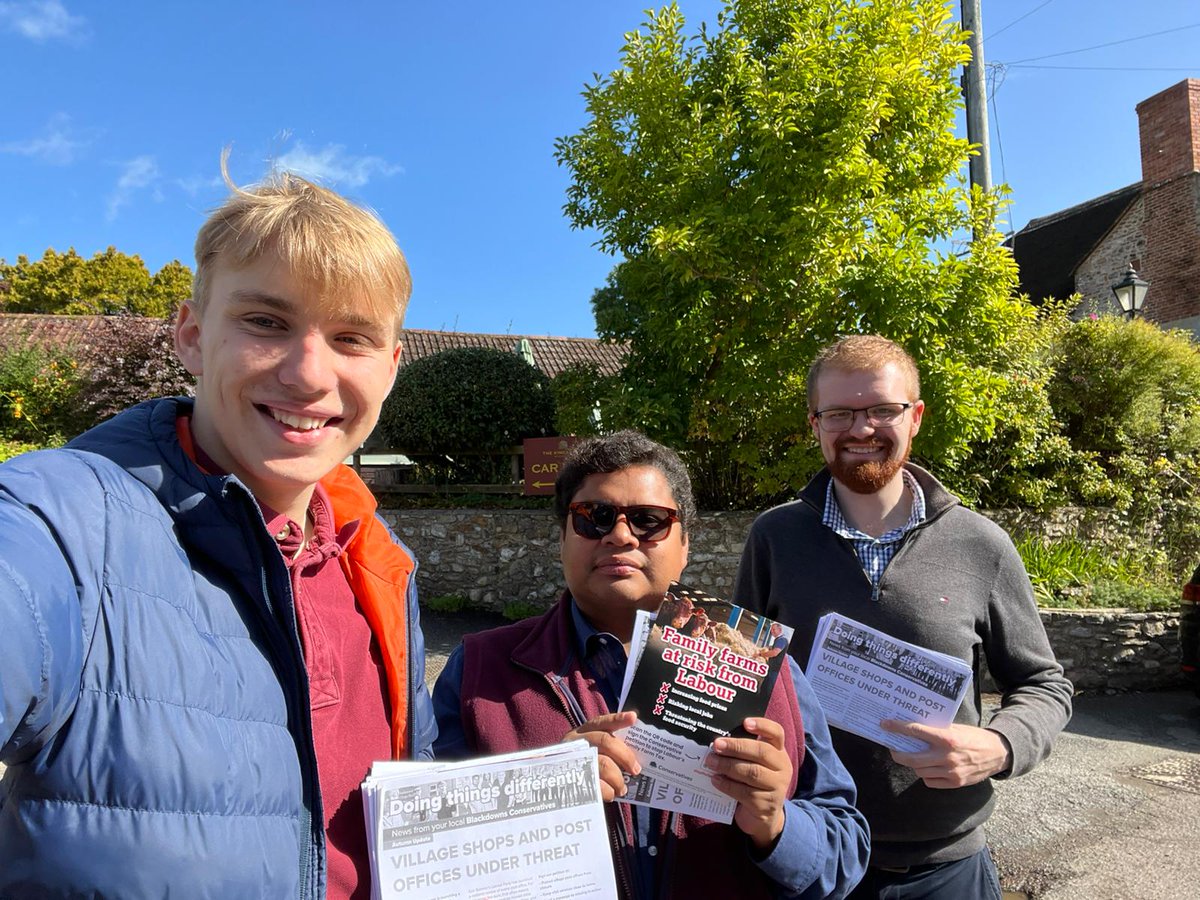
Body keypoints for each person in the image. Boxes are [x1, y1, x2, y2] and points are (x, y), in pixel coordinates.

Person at [0, 168, 436, 898]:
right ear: (192, 335)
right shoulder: (63, 520)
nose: (308, 373)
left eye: (351, 337)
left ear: (391, 368)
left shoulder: (380, 564)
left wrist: (551, 784)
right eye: (266, 322)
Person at [433, 431, 869, 899]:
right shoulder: (479, 668)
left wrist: (776, 823)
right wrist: (535, 792)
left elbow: (845, 852)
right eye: (594, 518)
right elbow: (426, 841)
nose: (620, 536)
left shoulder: (772, 673)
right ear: (561, 538)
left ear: (684, 546)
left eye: (648, 520)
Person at [734, 335, 1073, 899]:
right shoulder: (774, 537)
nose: (860, 429)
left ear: (915, 417)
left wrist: (1002, 745)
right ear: (814, 424)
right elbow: (741, 669)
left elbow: (1044, 683)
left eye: (881, 409)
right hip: (807, 856)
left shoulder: (980, 544)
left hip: (945, 868)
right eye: (839, 412)